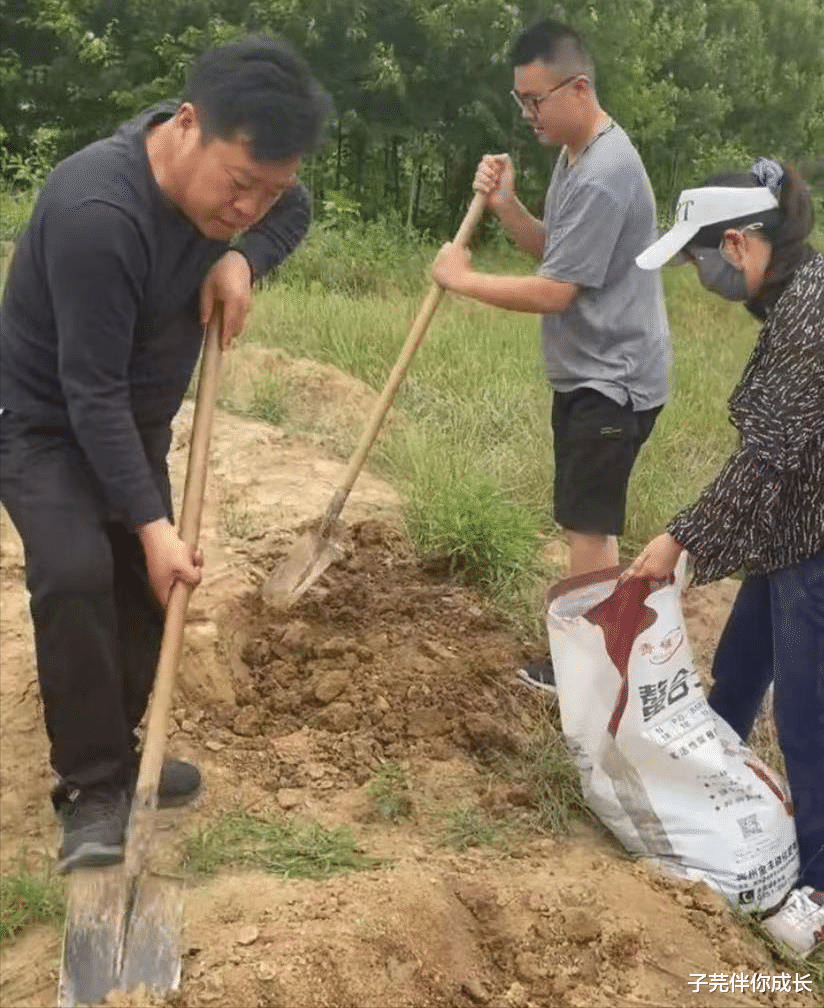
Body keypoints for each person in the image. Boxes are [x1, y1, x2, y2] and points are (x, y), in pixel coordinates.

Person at [0, 34, 332, 873]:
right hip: (42, 422)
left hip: (133, 422)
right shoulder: (97, 213)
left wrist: (241, 259)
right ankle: (91, 788)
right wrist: (152, 526)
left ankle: (118, 749)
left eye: (267, 190)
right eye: (238, 186)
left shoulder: (253, 196)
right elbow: (90, 396)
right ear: (188, 126)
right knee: (78, 573)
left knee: (151, 597)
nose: (250, 204)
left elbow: (292, 211)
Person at [431, 19, 671, 693]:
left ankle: (587, 671)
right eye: (521, 101)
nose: (527, 114)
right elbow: (558, 253)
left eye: (535, 100)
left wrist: (464, 279)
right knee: (583, 519)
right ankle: (596, 652)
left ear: (579, 87)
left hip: (613, 381)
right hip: (595, 372)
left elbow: (556, 291)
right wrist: (507, 206)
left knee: (589, 528)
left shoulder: (604, 174)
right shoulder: (577, 159)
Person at [629, 158, 824, 959]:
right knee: (740, 673)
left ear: (741, 245)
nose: (696, 274)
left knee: (811, 717)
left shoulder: (811, 313)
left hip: (814, 538)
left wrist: (680, 538)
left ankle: (817, 888)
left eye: (696, 259)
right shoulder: (793, 300)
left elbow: (768, 457)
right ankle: (712, 798)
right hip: (794, 528)